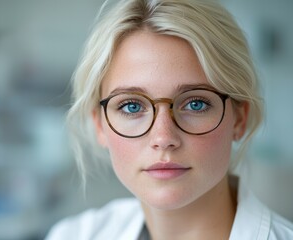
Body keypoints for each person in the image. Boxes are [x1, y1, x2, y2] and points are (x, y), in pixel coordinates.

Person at [45, 0, 293, 239]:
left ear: (239, 118)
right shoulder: (72, 235)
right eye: (131, 106)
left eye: (195, 104)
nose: (163, 138)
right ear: (100, 125)